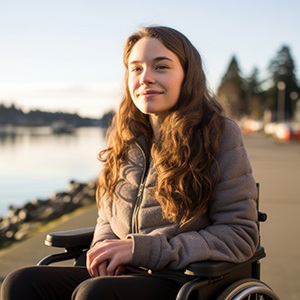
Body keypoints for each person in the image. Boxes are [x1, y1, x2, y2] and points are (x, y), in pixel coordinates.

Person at [1, 25, 259, 300]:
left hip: (182, 278)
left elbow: (239, 235)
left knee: (94, 294)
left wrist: (141, 249)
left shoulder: (218, 134)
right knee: (20, 282)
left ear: (188, 75)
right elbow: (107, 217)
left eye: (161, 67)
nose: (145, 78)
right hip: (122, 273)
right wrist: (103, 247)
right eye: (136, 69)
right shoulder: (124, 137)